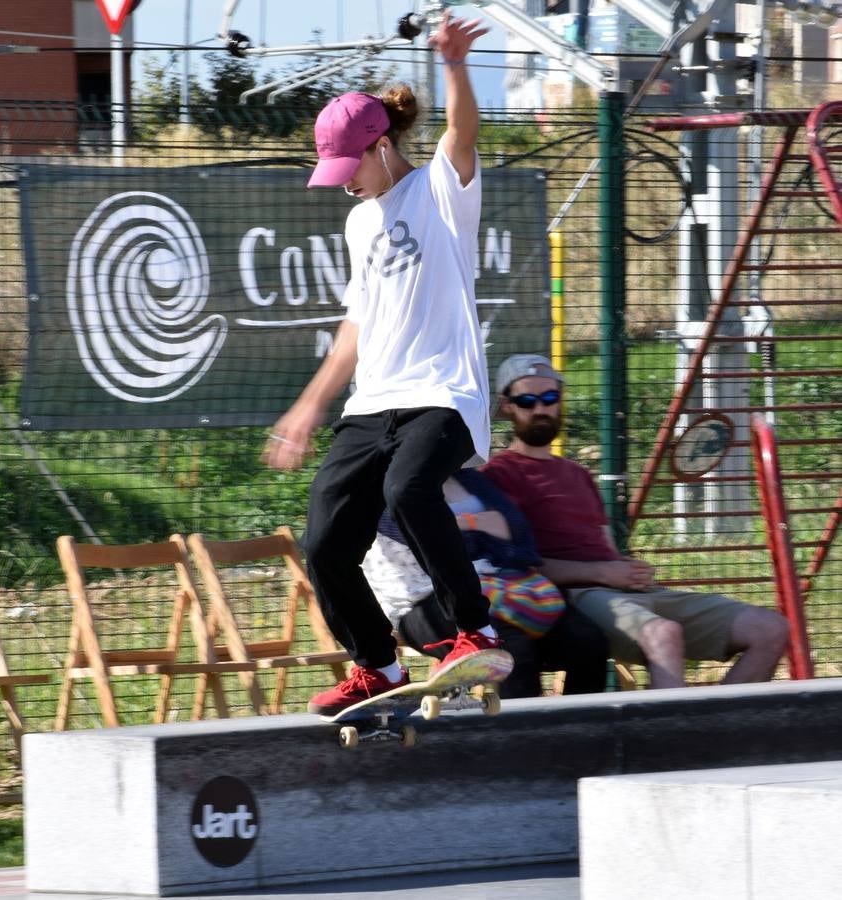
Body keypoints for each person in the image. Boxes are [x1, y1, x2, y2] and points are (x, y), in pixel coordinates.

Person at [263, 12, 508, 716]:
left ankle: (473, 629)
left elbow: (463, 132)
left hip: (444, 394)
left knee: (409, 491)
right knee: (326, 538)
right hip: (373, 403)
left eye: (351, 168)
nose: (345, 185)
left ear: (381, 145)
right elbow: (358, 324)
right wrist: (310, 406)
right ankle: (377, 664)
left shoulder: (439, 191)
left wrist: (455, 66)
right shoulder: (358, 221)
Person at [481, 353, 790, 689]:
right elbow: (512, 568)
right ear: (508, 406)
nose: (541, 408)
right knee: (664, 634)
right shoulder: (499, 474)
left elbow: (606, 550)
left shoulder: (577, 473)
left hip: (624, 591)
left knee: (771, 628)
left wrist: (626, 570)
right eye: (527, 400)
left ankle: (717, 732)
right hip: (571, 598)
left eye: (550, 397)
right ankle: (670, 740)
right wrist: (603, 573)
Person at [362, 467, 610, 698]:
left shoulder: (470, 477)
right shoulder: (383, 484)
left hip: (496, 586)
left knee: (589, 642)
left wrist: (459, 529)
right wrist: (478, 524)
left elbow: (517, 536)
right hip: (425, 601)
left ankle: (578, 732)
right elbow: (418, 537)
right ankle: (527, 740)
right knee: (513, 653)